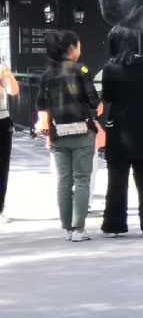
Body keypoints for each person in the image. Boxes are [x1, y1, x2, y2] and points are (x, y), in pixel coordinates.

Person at [100, 26, 143, 238]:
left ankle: (113, 226)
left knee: (117, 180)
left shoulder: (110, 68)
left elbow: (108, 97)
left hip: (119, 131)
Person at [35, 30, 99, 241]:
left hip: (57, 134)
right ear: (72, 47)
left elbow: (41, 105)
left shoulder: (47, 75)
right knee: (82, 179)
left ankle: (67, 226)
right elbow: (93, 101)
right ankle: (78, 229)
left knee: (64, 180)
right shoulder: (82, 69)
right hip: (81, 132)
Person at [0, 61, 19, 223]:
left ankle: (0, 208)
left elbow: (13, 90)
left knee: (2, 167)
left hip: (2, 121)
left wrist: (8, 74)